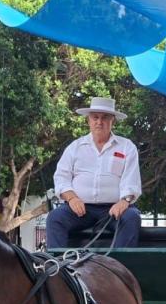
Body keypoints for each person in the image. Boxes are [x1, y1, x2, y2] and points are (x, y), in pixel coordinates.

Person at [46, 97, 142, 248]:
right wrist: (72, 199)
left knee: (131, 217)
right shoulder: (74, 147)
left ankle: (119, 267)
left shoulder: (126, 147)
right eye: (95, 117)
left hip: (113, 209)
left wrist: (124, 202)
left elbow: (131, 180)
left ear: (113, 121)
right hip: (80, 209)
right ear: (88, 121)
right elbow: (61, 178)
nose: (99, 122)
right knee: (55, 218)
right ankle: (57, 267)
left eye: (104, 118)